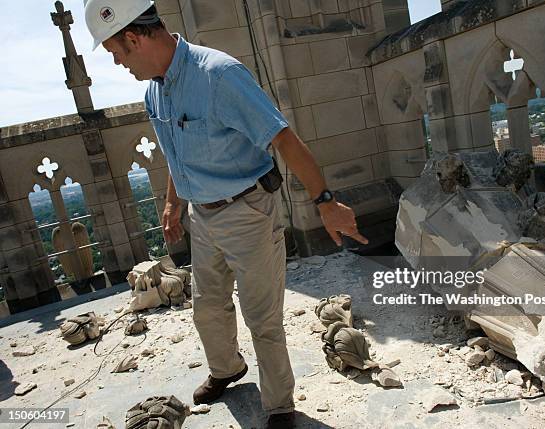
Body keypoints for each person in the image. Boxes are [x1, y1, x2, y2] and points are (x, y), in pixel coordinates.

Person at [85, 1, 367, 427]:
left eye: (116, 52)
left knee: (262, 318)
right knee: (207, 307)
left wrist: (325, 201)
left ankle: (279, 406)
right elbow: (175, 154)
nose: (118, 63)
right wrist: (173, 203)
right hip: (203, 215)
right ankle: (227, 369)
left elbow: (283, 138)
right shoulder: (153, 90)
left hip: (247, 211)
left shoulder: (218, 75)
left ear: (133, 37)